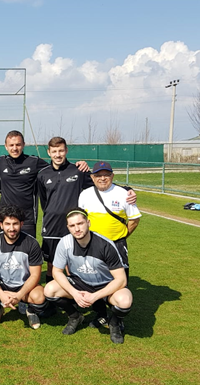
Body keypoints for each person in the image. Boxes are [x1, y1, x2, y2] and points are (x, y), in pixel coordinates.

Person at [39, 140, 136, 283]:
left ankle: (75, 293)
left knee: (72, 262)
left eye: (60, 151)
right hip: (51, 225)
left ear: (66, 150)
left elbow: (101, 182)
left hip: (74, 224)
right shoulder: (43, 174)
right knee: (51, 263)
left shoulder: (78, 170)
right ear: (49, 152)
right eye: (54, 151)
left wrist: (126, 189)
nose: (57, 155)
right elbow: (43, 200)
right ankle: (51, 298)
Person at [44, 208, 133, 344]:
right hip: (79, 283)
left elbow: (121, 279)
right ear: (68, 227)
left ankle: (114, 323)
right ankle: (75, 316)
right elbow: (56, 272)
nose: (77, 229)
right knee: (49, 290)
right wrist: (74, 293)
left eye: (80, 223)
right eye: (72, 226)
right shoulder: (65, 242)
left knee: (125, 300)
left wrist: (95, 296)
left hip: (105, 285)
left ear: (88, 223)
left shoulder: (105, 245)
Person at [78, 161, 141, 329]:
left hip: (117, 246)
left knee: (120, 281)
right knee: (94, 280)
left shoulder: (124, 194)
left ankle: (117, 319)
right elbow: (81, 220)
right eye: (98, 175)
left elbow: (134, 219)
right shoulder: (85, 194)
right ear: (92, 177)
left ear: (112, 176)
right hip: (92, 248)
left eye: (106, 175)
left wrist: (122, 236)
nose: (103, 178)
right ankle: (101, 315)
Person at [0, 130, 87, 239]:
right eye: (11, 145)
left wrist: (78, 165)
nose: (14, 148)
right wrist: (1, 189)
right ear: (6, 146)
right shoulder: (0, 162)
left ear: (23, 145)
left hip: (27, 218)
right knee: (6, 251)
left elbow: (54, 168)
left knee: (29, 251)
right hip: (6, 218)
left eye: (18, 144)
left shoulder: (34, 161)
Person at [0, 205, 47, 329]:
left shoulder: (31, 243)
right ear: (1, 225)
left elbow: (35, 275)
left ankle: (31, 311)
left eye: (15, 224)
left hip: (23, 285)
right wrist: (1, 294)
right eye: (7, 224)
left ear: (22, 224)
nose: (11, 228)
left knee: (40, 298)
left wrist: (18, 295)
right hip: (1, 284)